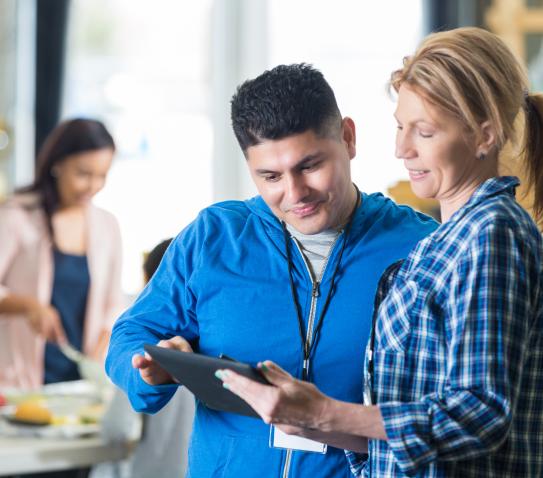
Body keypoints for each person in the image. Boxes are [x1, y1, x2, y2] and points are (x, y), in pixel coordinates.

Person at [218, 27, 543, 477]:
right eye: (399, 126)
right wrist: (301, 416)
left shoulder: (493, 233)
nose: (400, 149)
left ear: (485, 135)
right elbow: (411, 436)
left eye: (423, 132)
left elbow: (479, 414)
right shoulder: (442, 241)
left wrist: (326, 413)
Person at [106, 63, 437, 478]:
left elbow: (446, 409)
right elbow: (129, 335)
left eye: (310, 165)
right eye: (270, 176)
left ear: (349, 138)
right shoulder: (213, 238)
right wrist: (148, 366)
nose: (295, 193)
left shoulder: (423, 247)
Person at [0, 118, 124, 390]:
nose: (93, 186)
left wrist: (101, 345)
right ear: (57, 164)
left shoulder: (107, 226)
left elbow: (113, 304)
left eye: (102, 175)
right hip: (17, 382)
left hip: (79, 386)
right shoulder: (16, 217)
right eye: (83, 174)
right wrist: (29, 306)